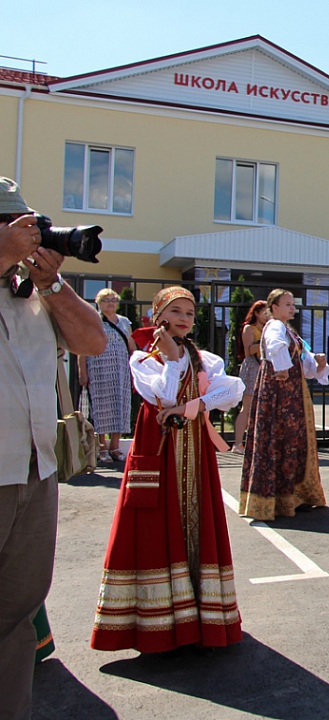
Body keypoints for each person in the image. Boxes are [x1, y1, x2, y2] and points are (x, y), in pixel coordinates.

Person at [0, 177, 106, 720]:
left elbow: (94, 341)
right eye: (19, 227)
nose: (32, 237)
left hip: (34, 475)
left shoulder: (33, 292)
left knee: (17, 617)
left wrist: (54, 284)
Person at [91, 286, 245, 652]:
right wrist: (174, 359)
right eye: (176, 311)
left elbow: (233, 390)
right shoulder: (144, 360)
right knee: (155, 524)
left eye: (190, 313)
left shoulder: (204, 357)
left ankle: (202, 616)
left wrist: (192, 408)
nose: (184, 318)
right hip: (159, 449)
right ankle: (157, 624)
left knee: (198, 524)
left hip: (193, 451)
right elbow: (162, 393)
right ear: (159, 315)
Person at [239, 289, 329, 521]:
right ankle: (277, 498)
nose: (292, 308)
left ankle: (293, 495)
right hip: (278, 391)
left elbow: (304, 364)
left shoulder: (290, 331)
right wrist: (280, 368)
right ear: (274, 307)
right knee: (279, 438)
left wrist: (319, 365)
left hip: (292, 389)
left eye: (293, 304)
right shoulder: (275, 327)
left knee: (292, 440)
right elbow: (276, 347)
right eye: (287, 304)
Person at [78, 288, 137, 464]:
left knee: (120, 407)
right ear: (98, 303)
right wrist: (83, 372)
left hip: (121, 370)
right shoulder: (92, 320)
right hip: (99, 368)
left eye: (113, 299)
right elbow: (82, 349)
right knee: (101, 408)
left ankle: (115, 447)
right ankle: (101, 447)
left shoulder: (125, 322)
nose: (110, 303)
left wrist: (137, 366)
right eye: (106, 300)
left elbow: (131, 345)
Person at [232, 300, 268, 454]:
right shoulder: (249, 328)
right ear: (256, 313)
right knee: (247, 407)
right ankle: (238, 443)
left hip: (265, 366)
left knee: (262, 408)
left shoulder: (268, 328)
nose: (267, 316)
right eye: (265, 313)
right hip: (253, 366)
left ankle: (258, 442)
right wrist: (264, 342)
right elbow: (248, 351)